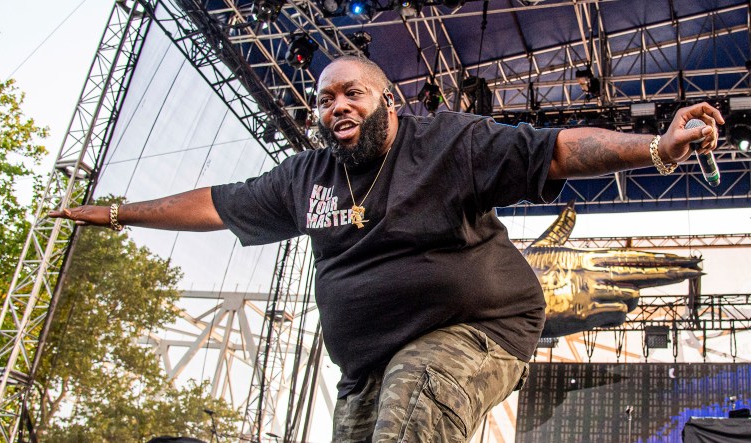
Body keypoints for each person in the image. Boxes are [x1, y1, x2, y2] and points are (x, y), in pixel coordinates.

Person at [50, 56, 723, 442]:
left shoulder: (447, 144)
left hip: (477, 330)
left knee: (415, 398)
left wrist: (654, 147)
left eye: (352, 93)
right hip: (367, 363)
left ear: (388, 103)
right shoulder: (305, 178)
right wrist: (115, 212)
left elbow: (557, 149)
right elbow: (213, 204)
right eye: (324, 99)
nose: (336, 105)